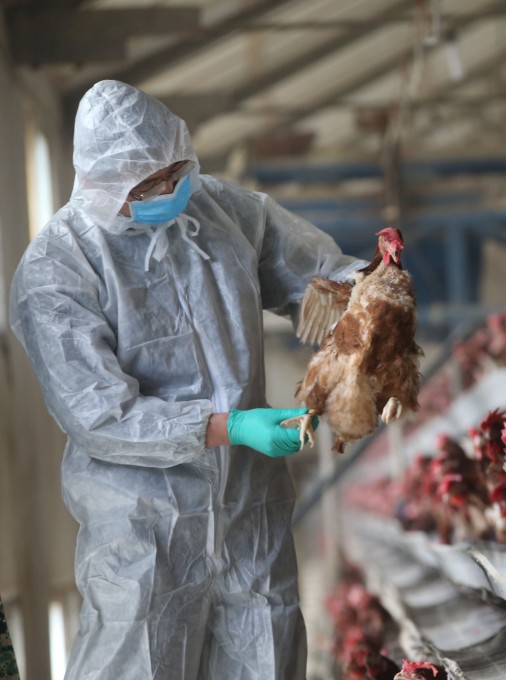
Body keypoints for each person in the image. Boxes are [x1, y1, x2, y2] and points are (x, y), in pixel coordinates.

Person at [9, 80, 365, 679]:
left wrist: (371, 295)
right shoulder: (57, 269)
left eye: (175, 172)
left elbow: (320, 280)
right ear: (101, 186)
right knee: (137, 659)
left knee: (265, 653)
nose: (168, 192)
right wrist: (230, 426)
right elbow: (99, 414)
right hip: (143, 523)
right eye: (146, 186)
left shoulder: (223, 210)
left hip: (250, 508)